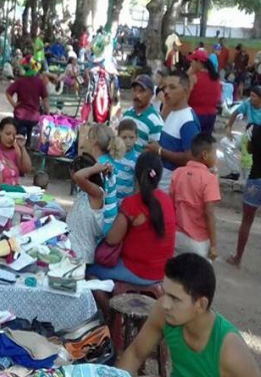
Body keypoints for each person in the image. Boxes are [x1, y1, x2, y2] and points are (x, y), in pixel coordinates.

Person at [119, 254, 261, 377]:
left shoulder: (229, 349)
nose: (165, 304)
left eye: (175, 299)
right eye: (165, 293)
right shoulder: (164, 312)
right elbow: (135, 354)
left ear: (201, 304)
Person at [89, 151, 176, 287]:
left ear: (135, 174)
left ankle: (106, 302)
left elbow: (112, 239)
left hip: (137, 270)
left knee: (89, 270)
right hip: (162, 270)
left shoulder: (132, 203)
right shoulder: (167, 201)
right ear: (159, 176)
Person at [146, 72, 200, 191]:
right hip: (161, 181)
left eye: (172, 87)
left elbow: (191, 157)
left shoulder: (188, 121)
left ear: (185, 91)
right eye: (165, 87)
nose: (166, 91)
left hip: (172, 186)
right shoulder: (172, 113)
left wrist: (159, 150)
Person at [170, 133, 220, 260]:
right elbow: (209, 213)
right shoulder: (209, 179)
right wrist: (214, 245)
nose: (216, 158)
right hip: (198, 240)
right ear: (205, 155)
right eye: (214, 154)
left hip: (176, 235)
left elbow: (171, 205)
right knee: (199, 271)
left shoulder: (178, 173)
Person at [227, 123, 261, 267]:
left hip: (255, 179)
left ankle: (238, 258)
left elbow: (249, 149)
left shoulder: (254, 129)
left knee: (247, 221)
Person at [83, 124, 125, 233]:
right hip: (111, 216)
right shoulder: (109, 161)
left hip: (103, 221)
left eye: (87, 137)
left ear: (94, 141)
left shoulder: (98, 166)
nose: (85, 140)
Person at [68, 154, 106, 264]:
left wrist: (96, 168)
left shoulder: (97, 193)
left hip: (82, 254)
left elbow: (78, 177)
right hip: (72, 247)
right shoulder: (83, 192)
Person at [5, 56, 49, 147]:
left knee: (19, 133)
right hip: (34, 117)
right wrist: (48, 114)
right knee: (30, 130)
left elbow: (7, 93)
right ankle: (28, 144)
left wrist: (14, 104)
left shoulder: (20, 81)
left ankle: (18, 147)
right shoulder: (39, 82)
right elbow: (45, 100)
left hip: (20, 115)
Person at [123, 75, 164, 153]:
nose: (137, 95)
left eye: (141, 91)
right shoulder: (127, 113)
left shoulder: (155, 122)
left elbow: (154, 153)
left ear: (151, 95)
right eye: (135, 90)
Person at [187, 49, 222, 137]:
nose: (191, 64)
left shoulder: (193, 78)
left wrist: (187, 74)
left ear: (198, 62)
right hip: (211, 115)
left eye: (192, 61)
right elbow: (218, 99)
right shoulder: (215, 78)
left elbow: (186, 98)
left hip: (195, 114)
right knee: (205, 142)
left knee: (193, 141)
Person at [0, 117, 32, 186]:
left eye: (14, 135)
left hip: (15, 188)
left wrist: (22, 147)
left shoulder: (15, 148)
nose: (11, 138)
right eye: (8, 134)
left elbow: (26, 169)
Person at [112, 119, 140, 201]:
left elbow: (137, 183)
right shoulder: (113, 154)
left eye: (131, 137)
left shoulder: (136, 159)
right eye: (124, 137)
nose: (128, 141)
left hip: (126, 201)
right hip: (111, 199)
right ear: (118, 137)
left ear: (136, 137)